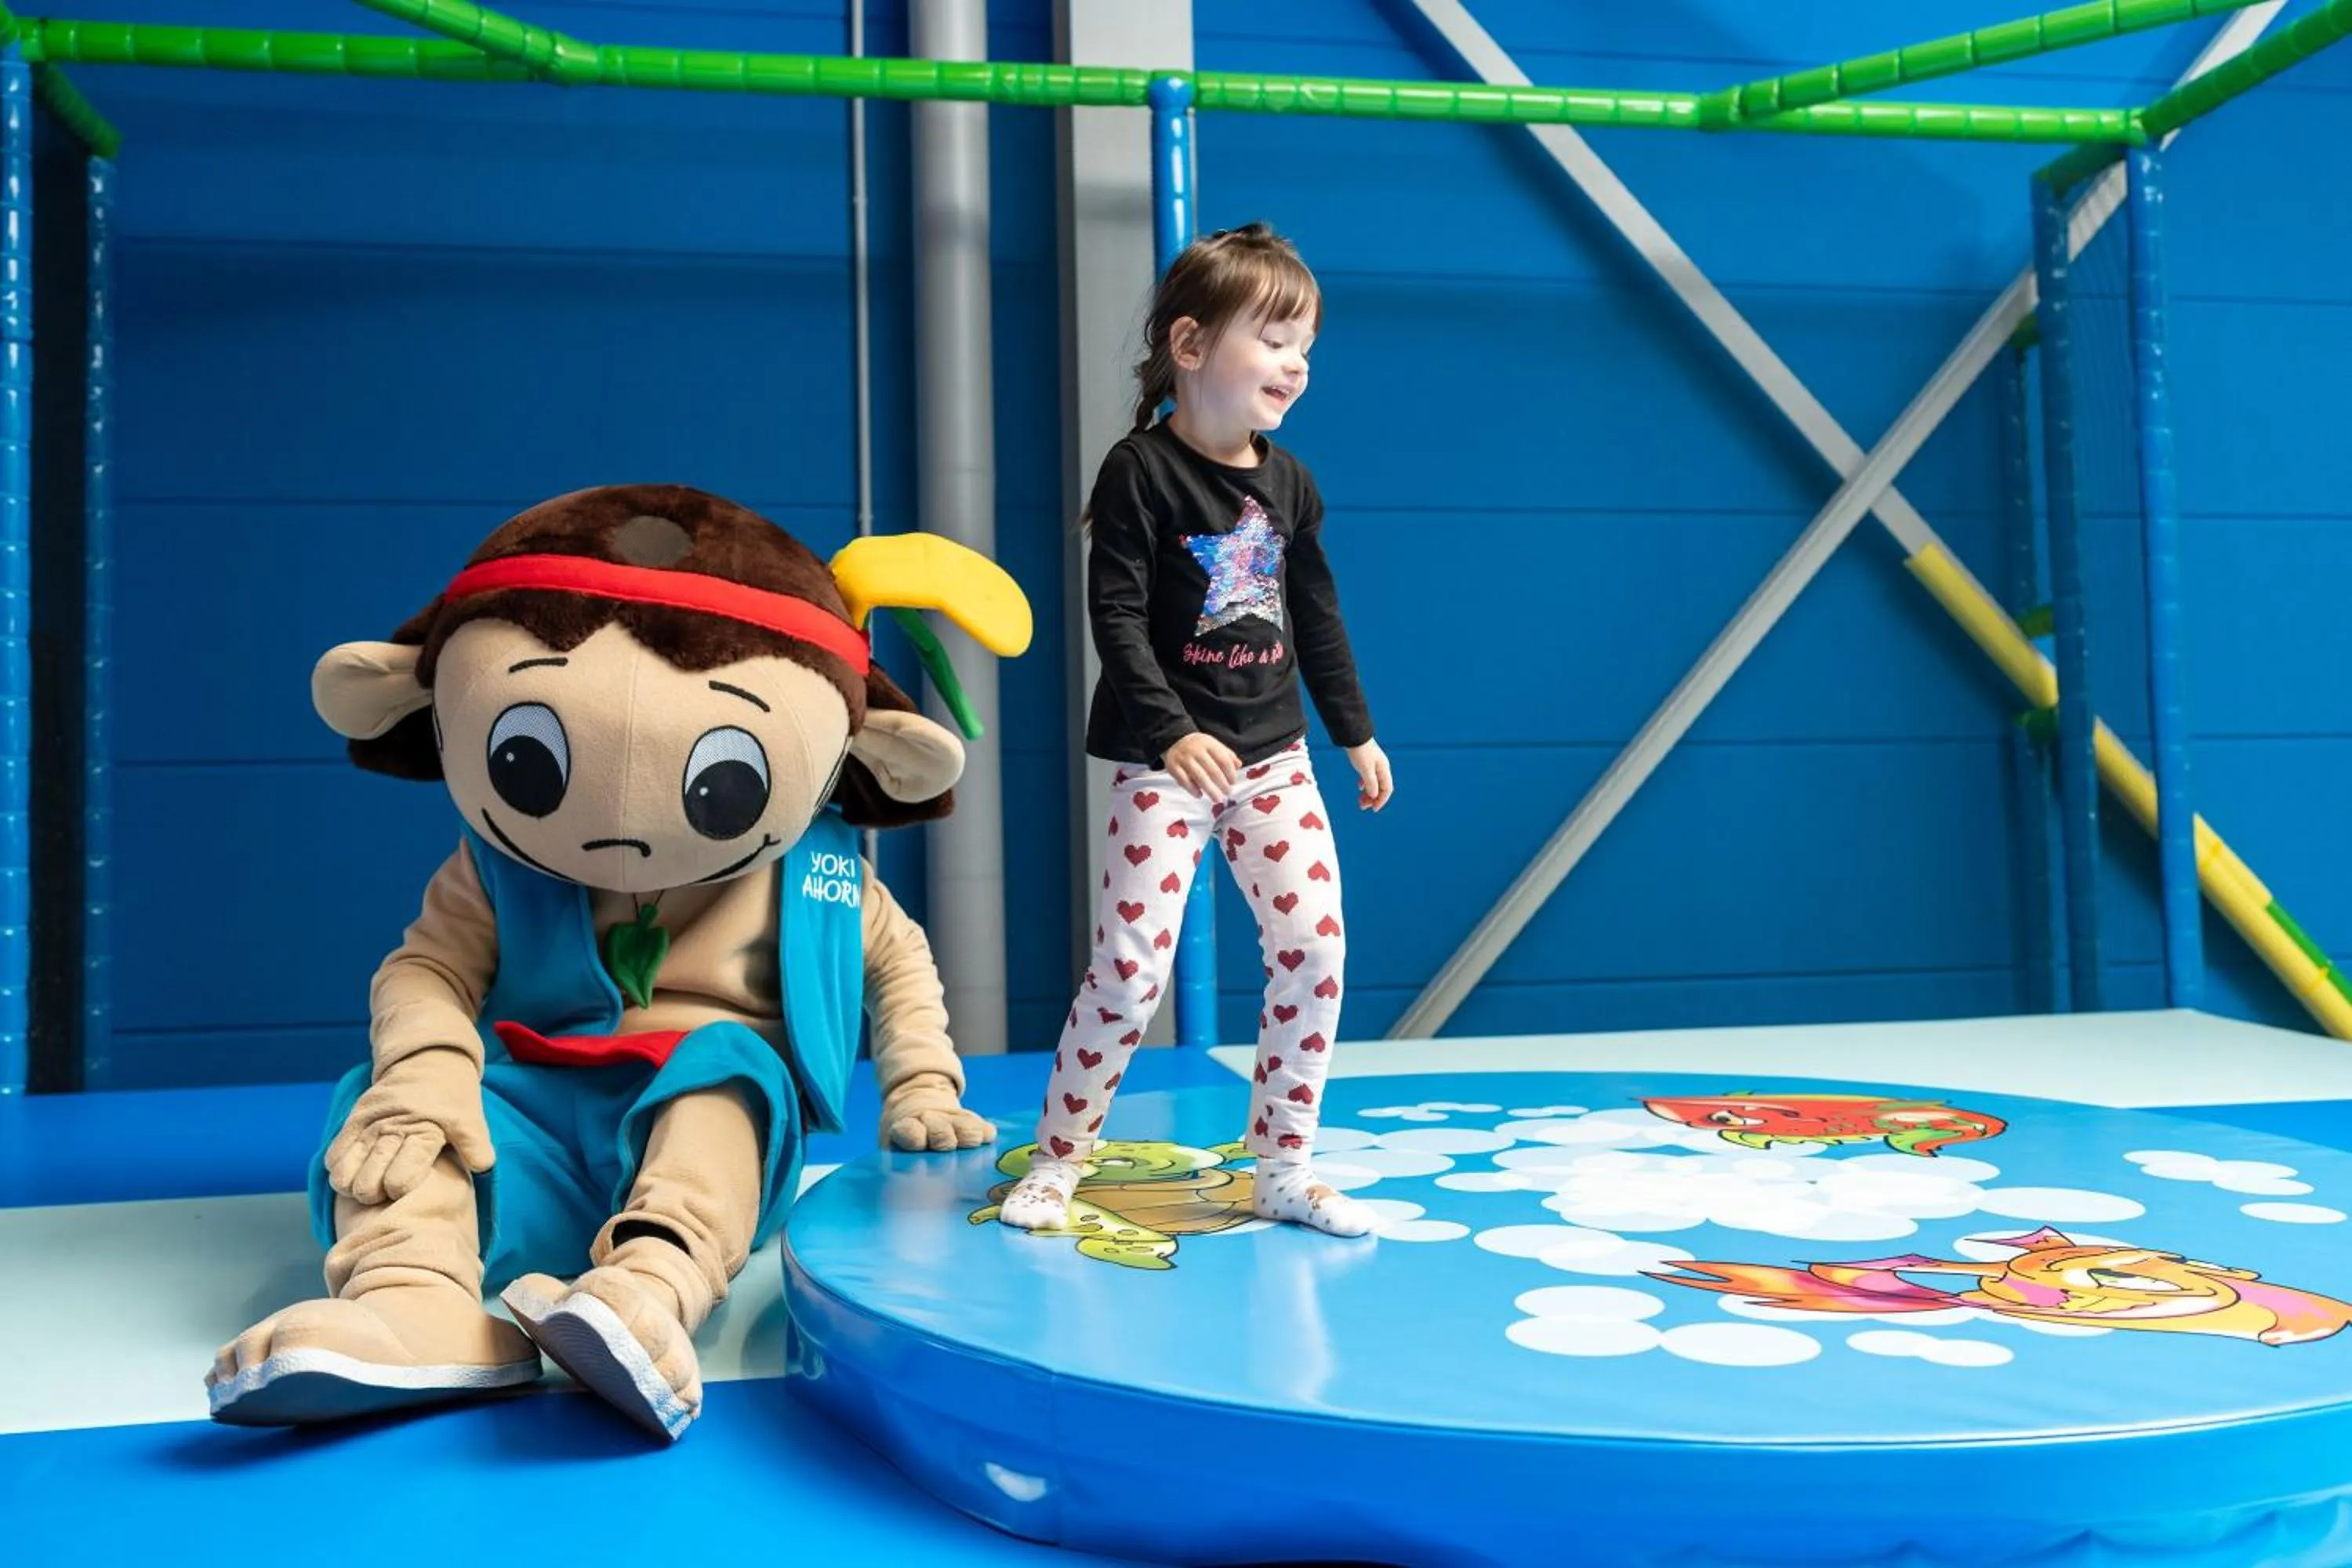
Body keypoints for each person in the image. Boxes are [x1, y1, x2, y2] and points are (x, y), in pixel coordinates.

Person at [999, 223, 1392, 1239]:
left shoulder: (1290, 483)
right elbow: (1115, 618)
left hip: (1274, 756)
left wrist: (1353, 731)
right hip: (1161, 762)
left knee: (1314, 947)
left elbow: (1316, 614)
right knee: (1130, 973)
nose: (1296, 363)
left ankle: (1284, 1165)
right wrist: (1170, 734)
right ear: (1190, 345)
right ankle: (1058, 1159)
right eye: (1272, 339)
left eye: (1305, 344)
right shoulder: (1140, 473)